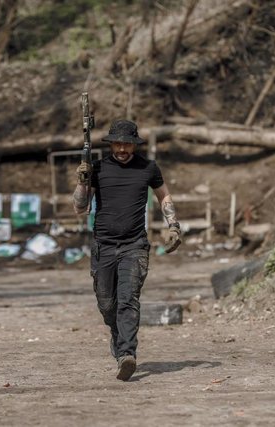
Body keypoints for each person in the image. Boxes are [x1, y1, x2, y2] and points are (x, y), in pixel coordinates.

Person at [72, 119, 182, 381]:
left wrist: (174, 225)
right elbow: (80, 208)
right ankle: (117, 336)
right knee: (107, 304)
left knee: (128, 299)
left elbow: (163, 195)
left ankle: (126, 354)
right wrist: (82, 181)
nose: (122, 148)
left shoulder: (148, 168)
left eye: (127, 144)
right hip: (104, 247)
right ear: (112, 144)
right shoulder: (97, 169)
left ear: (134, 145)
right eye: (118, 143)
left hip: (134, 246)